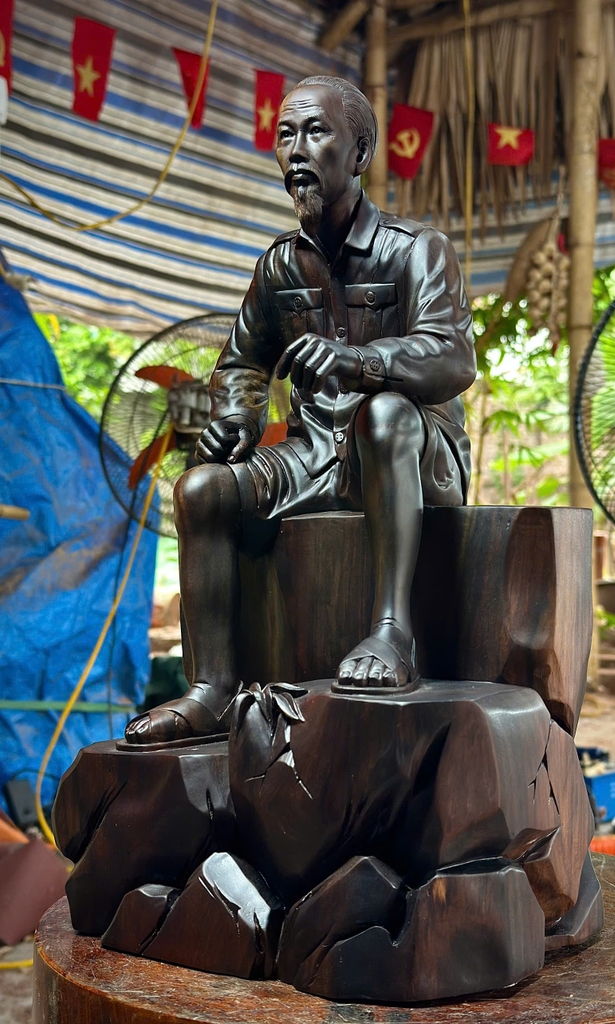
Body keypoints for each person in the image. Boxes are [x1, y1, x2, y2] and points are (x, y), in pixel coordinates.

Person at [125, 75, 475, 746]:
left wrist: (361, 362)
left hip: (415, 457)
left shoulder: (416, 249)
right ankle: (211, 689)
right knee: (201, 490)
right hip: (315, 457)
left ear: (361, 152)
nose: (296, 149)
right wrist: (238, 416)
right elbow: (240, 365)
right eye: (285, 134)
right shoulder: (278, 266)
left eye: (316, 132)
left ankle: (392, 634)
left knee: (384, 416)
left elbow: (453, 356)